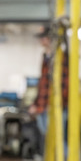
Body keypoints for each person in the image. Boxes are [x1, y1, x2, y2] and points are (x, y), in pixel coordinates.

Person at [27, 24, 70, 152]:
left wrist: (55, 105)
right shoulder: (46, 56)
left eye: (43, 37)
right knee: (49, 143)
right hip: (43, 107)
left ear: (50, 39)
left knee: (58, 143)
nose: (41, 40)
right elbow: (43, 84)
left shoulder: (61, 57)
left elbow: (64, 85)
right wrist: (35, 104)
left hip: (55, 108)